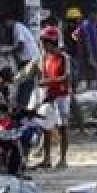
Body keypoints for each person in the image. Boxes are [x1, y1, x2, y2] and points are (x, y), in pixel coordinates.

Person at [34, 26, 71, 169]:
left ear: (52, 42)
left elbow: (66, 77)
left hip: (62, 96)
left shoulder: (64, 57)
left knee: (62, 127)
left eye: (45, 42)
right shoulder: (44, 57)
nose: (43, 45)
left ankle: (62, 159)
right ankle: (47, 159)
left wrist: (49, 81)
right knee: (46, 127)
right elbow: (43, 77)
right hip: (49, 95)